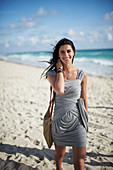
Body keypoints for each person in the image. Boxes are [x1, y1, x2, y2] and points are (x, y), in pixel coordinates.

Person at [42, 38, 88, 170]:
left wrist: (86, 120)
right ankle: (58, 168)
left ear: (73, 52)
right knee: (59, 154)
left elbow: (84, 99)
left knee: (80, 159)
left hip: (78, 120)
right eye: (62, 52)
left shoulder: (81, 74)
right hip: (60, 121)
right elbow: (60, 90)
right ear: (58, 55)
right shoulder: (51, 74)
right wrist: (60, 70)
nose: (66, 55)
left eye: (68, 51)